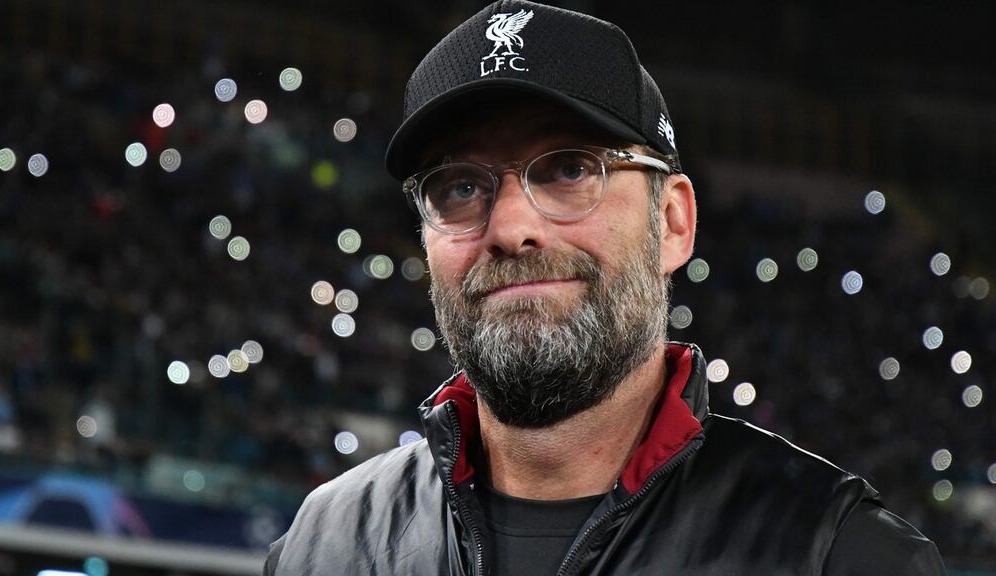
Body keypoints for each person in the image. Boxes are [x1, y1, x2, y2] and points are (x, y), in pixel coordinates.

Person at [265, 2, 946, 574]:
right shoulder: (325, 544)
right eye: (461, 187)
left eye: (567, 170)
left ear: (673, 223)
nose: (509, 228)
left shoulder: (836, 553)